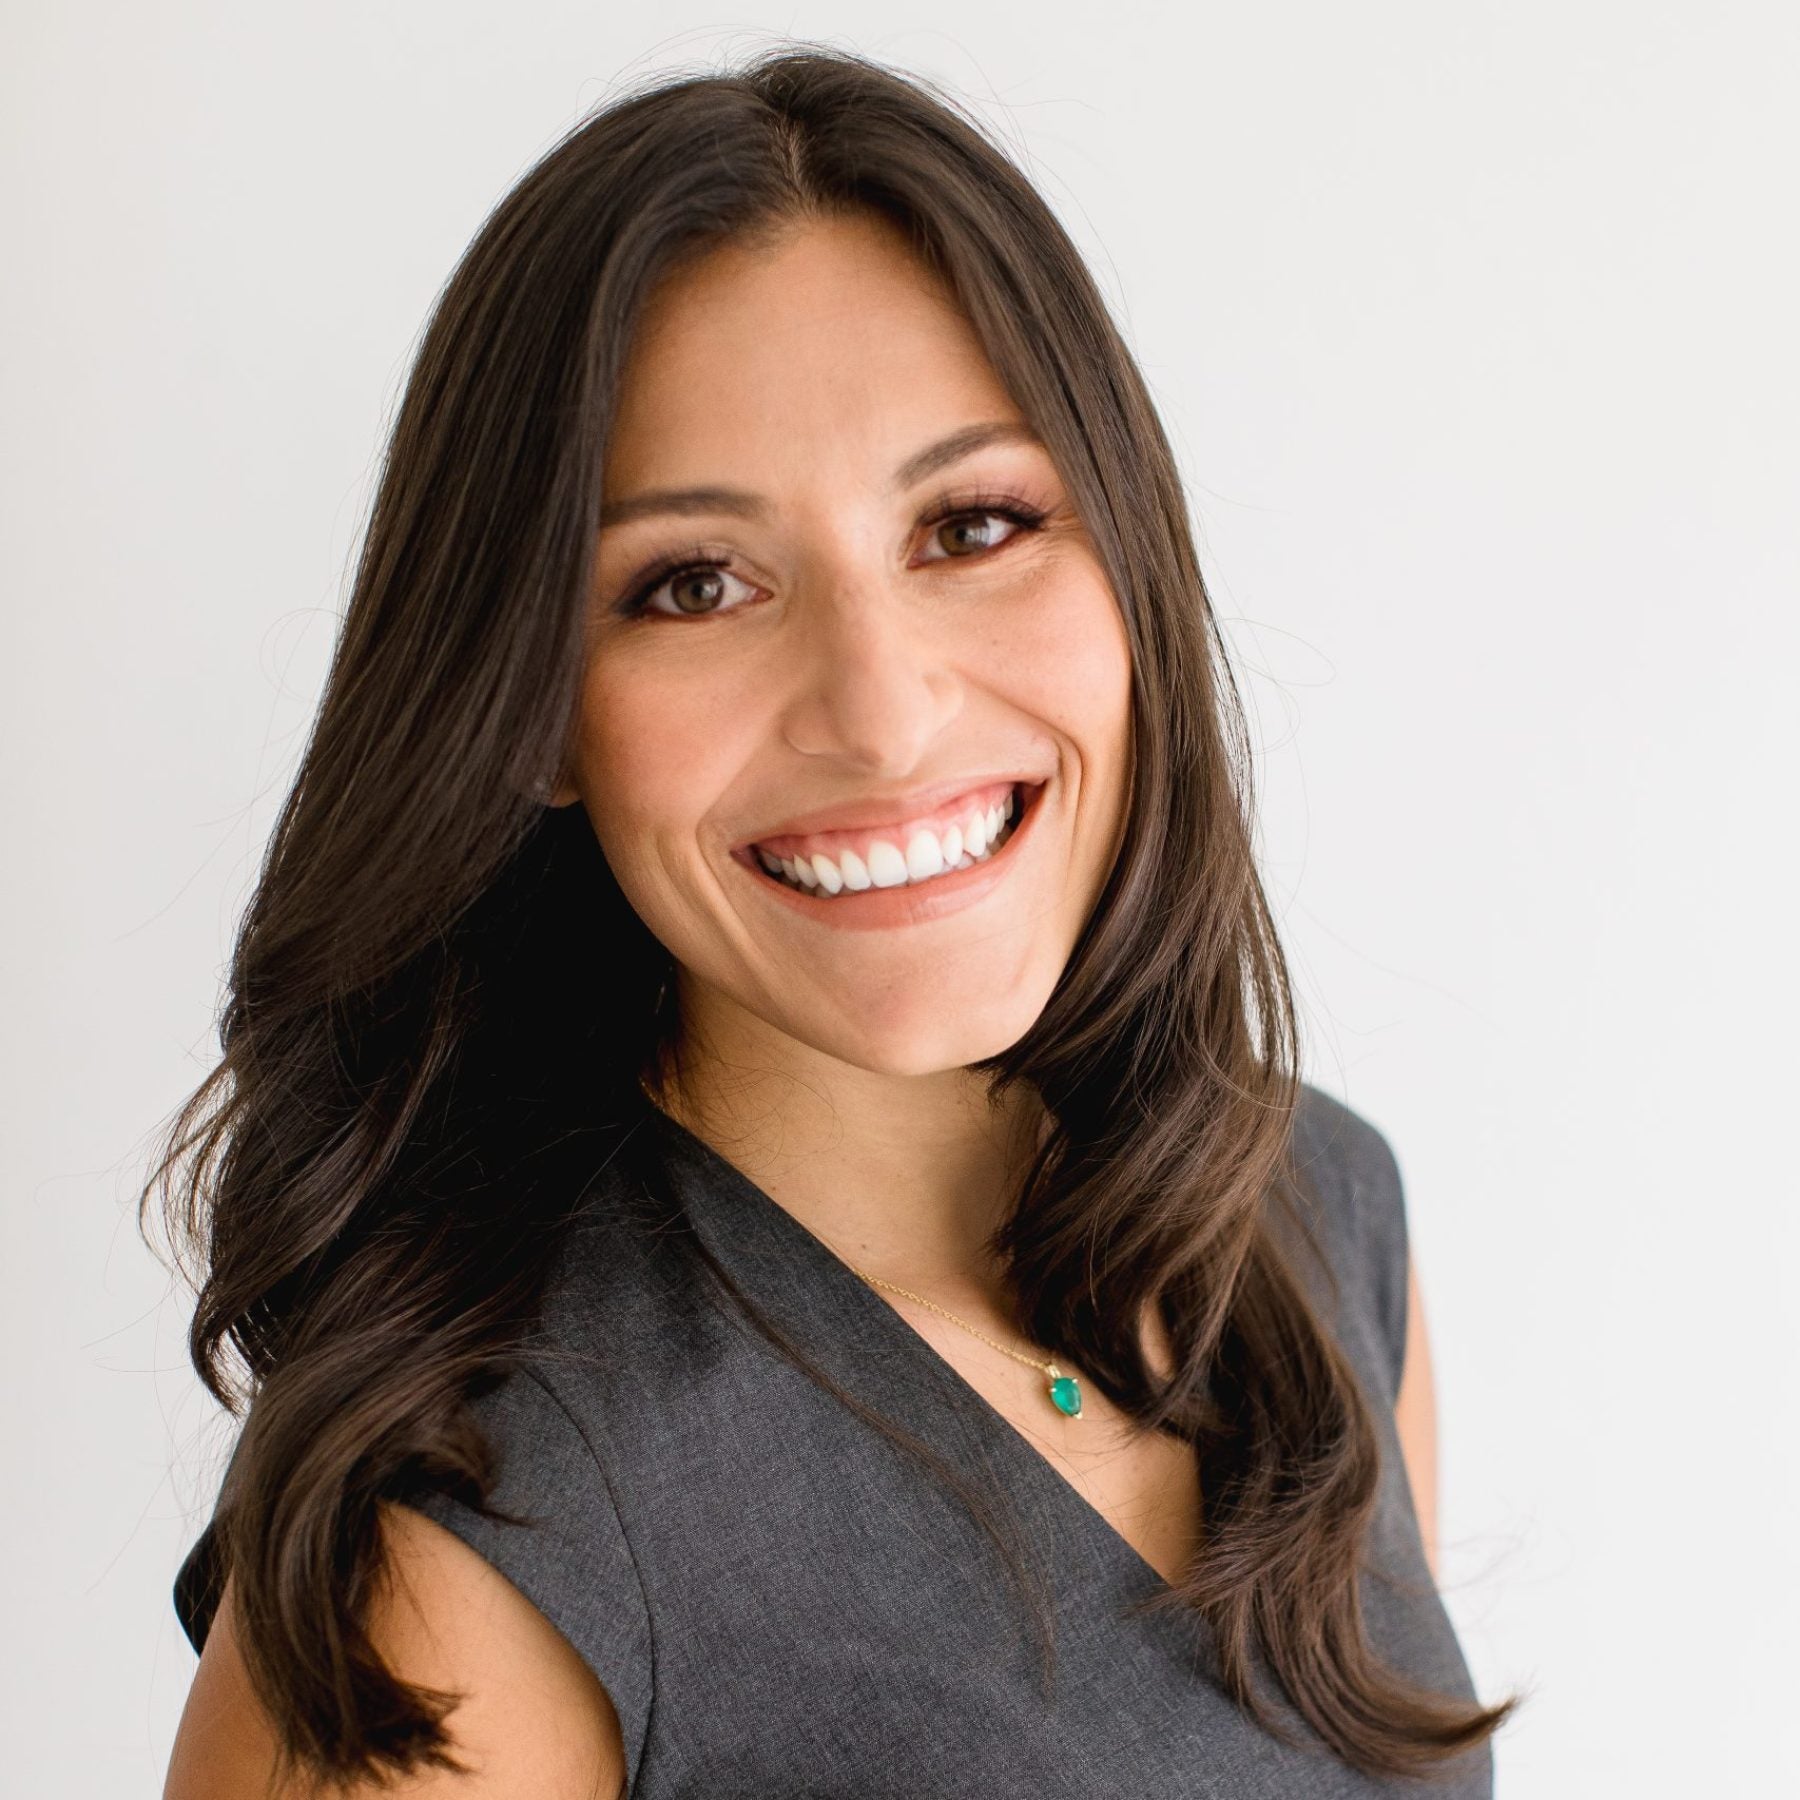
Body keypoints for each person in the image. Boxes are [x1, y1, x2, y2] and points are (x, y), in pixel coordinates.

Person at [153, 44, 1516, 1799]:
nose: (879, 714)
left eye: (973, 525)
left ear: (1128, 574)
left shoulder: (1320, 1222)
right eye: (693, 585)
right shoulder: (464, 1531)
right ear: (533, 709)